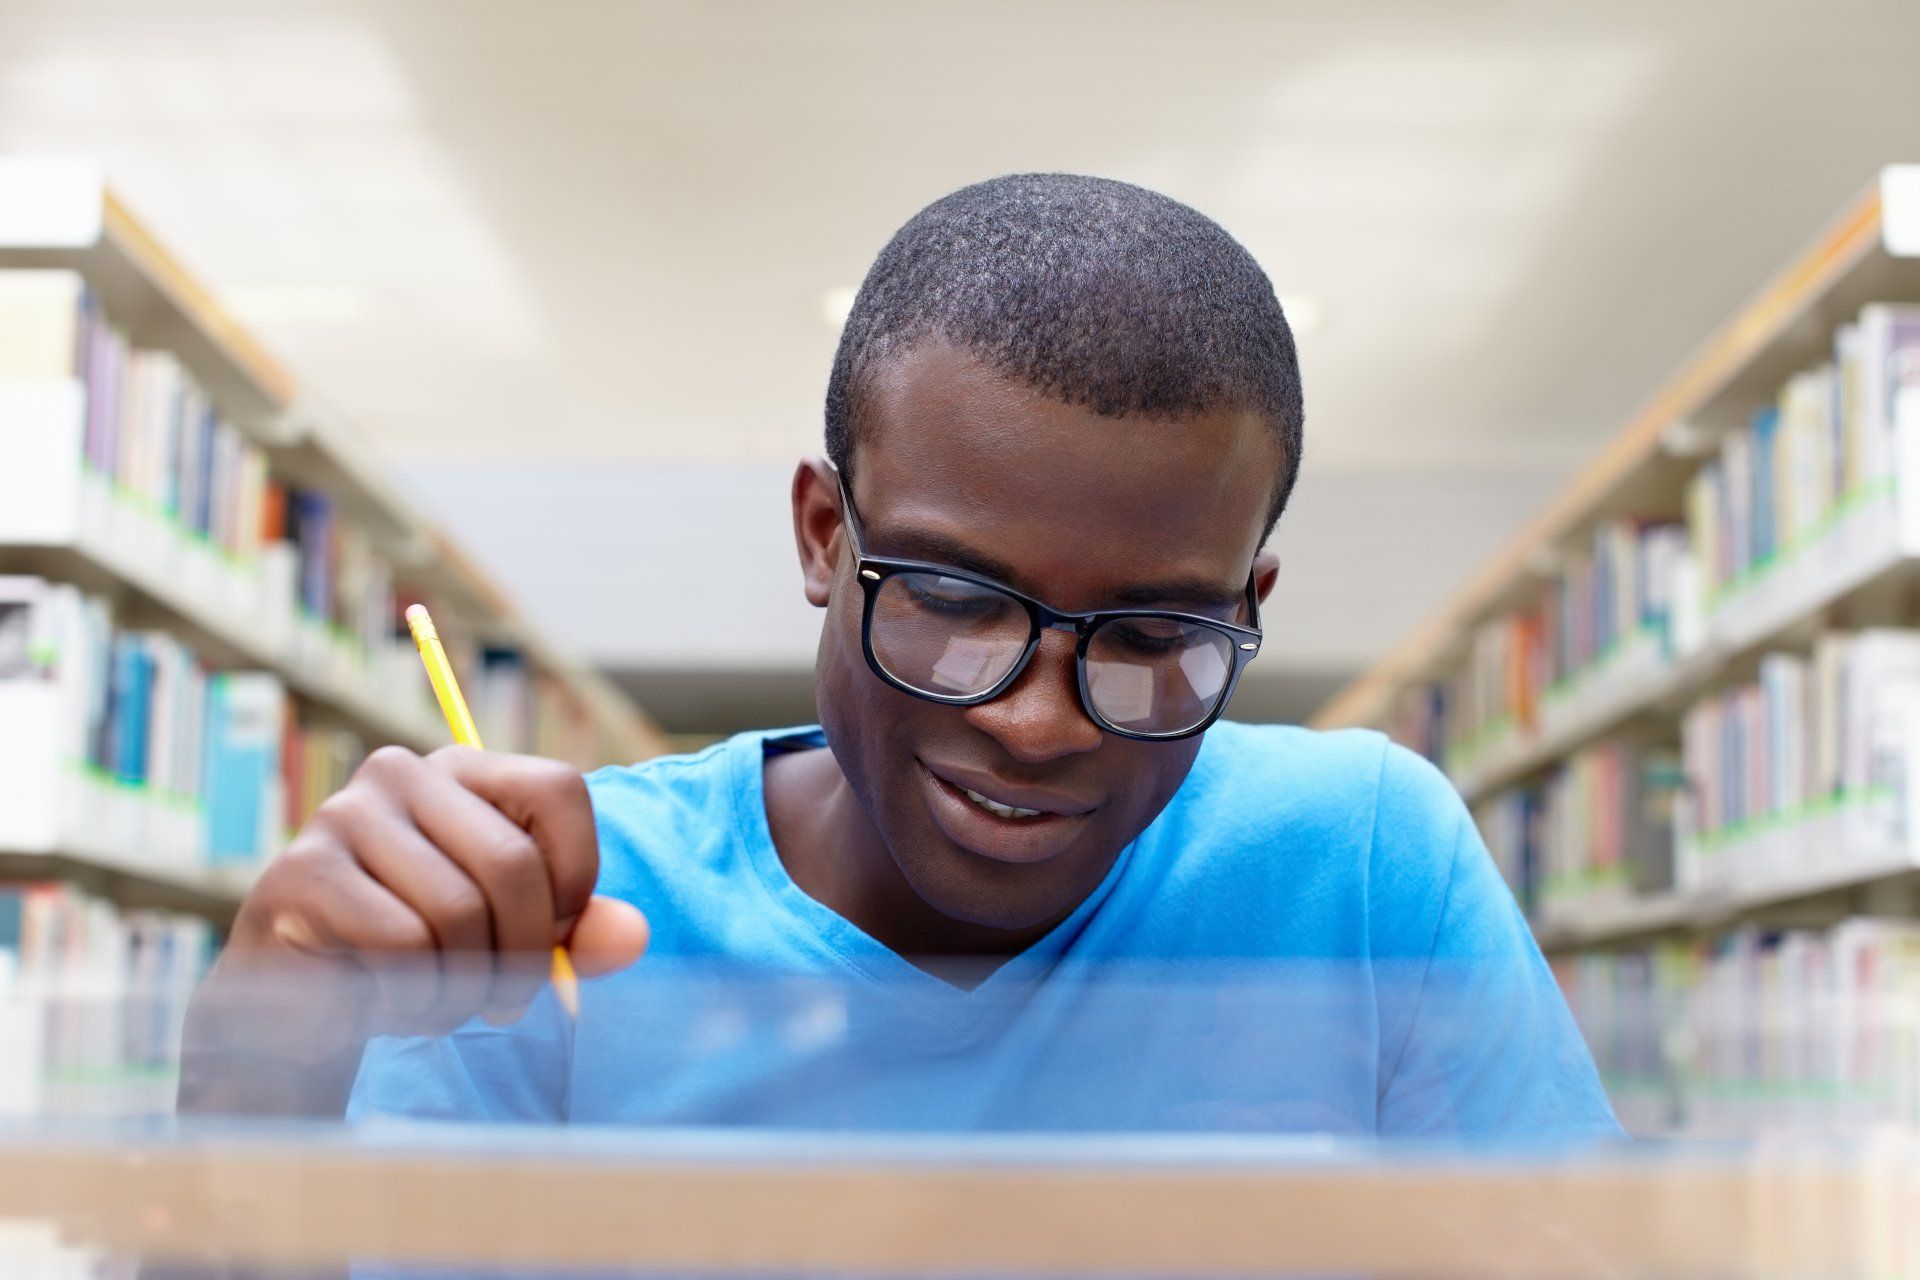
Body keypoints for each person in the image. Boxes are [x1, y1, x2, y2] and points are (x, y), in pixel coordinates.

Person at [179, 174, 1619, 1138]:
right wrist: (255, 1084)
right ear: (823, 535)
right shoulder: (551, 910)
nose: (1044, 725)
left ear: (1250, 602)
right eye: (954, 595)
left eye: (1154, 636)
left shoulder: (1365, 866)